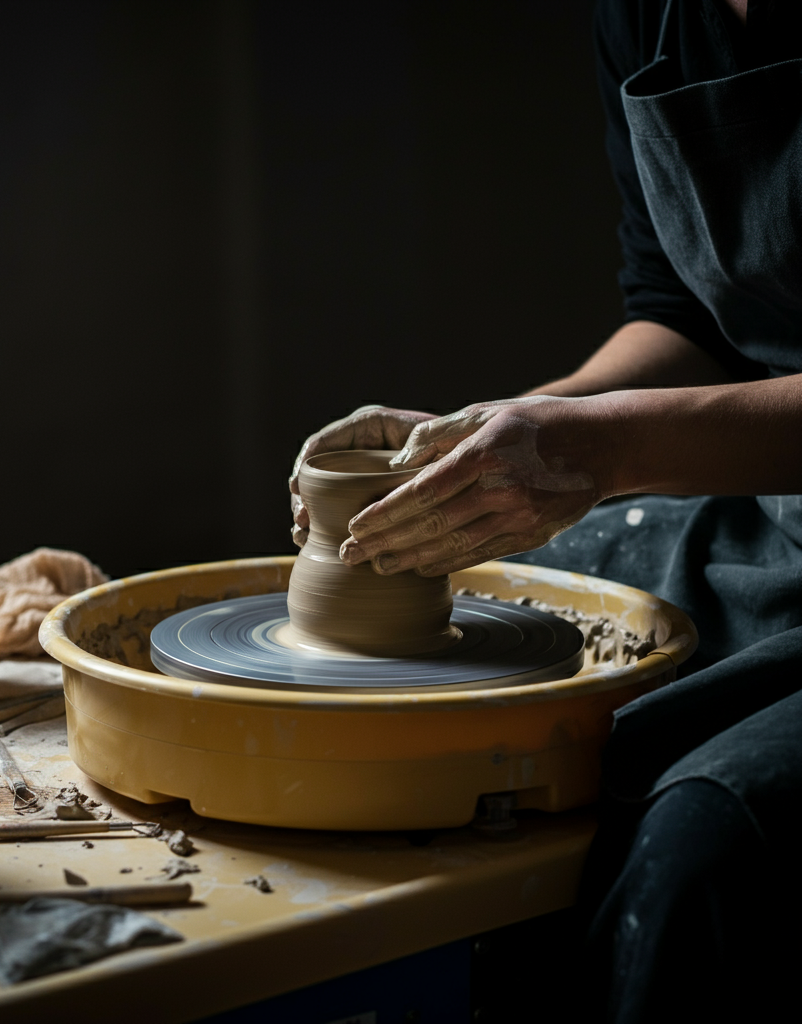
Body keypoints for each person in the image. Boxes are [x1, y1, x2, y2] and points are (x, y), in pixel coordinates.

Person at [289, 1, 802, 1020]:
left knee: (703, 843)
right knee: (466, 739)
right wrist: (499, 436)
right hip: (766, 511)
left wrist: (604, 447)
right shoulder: (647, 11)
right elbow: (681, 317)